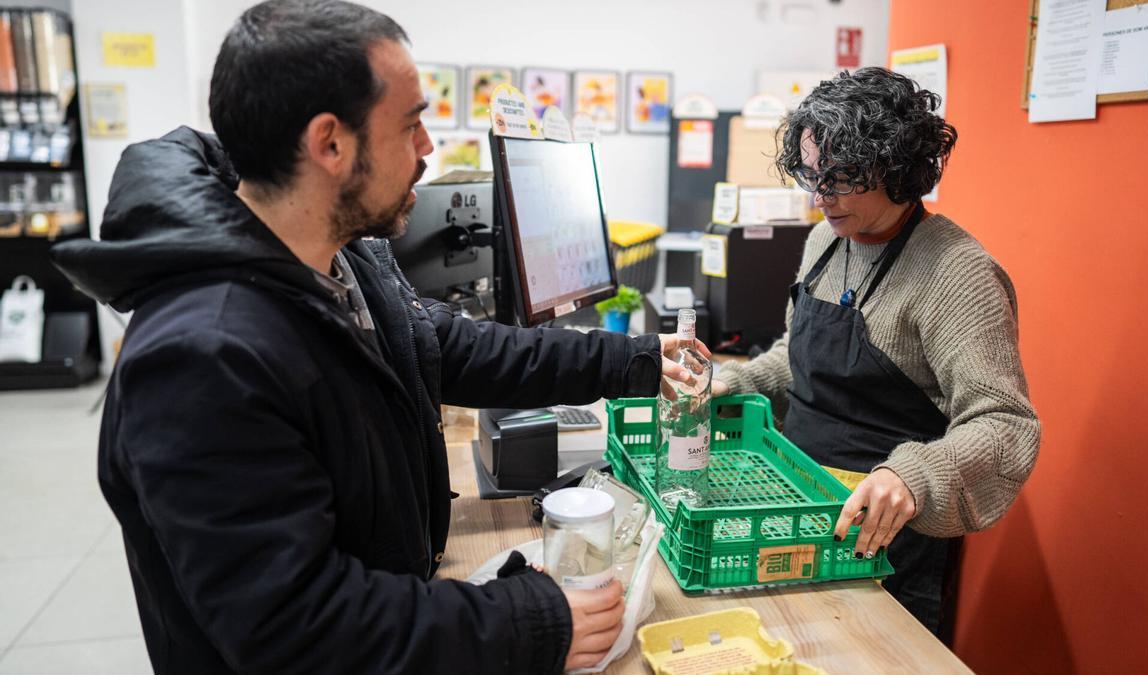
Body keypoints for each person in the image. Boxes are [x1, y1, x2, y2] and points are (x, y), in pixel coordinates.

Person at [50, 1, 706, 672]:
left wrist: (637, 359)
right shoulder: (205, 357)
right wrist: (532, 619)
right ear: (330, 143)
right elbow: (301, 628)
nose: (427, 150)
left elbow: (444, 346)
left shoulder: (340, 253)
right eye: (413, 124)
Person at [713, 67, 1041, 640]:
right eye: (812, 177)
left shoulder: (956, 274)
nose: (819, 199)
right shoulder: (825, 239)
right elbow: (801, 360)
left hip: (885, 544)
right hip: (797, 504)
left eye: (838, 179)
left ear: (894, 167)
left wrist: (915, 475)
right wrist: (733, 384)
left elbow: (1007, 425)